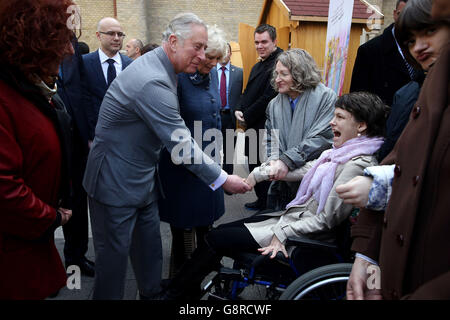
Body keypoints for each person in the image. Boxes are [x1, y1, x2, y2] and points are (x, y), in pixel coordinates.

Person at [82, 13, 251, 300]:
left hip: (143, 180)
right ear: (173, 42)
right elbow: (181, 144)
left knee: (150, 256)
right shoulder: (153, 80)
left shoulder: (168, 68)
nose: (201, 56)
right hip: (113, 183)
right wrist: (223, 179)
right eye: (196, 47)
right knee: (113, 269)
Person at [161, 91, 388, 300]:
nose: (332, 122)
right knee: (220, 233)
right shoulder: (335, 155)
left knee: (215, 239)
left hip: (306, 238)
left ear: (361, 126)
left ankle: (176, 294)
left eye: (340, 117)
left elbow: (326, 221)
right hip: (292, 220)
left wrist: (283, 232)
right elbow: (299, 170)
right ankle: (185, 287)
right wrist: (255, 176)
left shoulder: (357, 164)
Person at [336, 0, 450, 299]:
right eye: (411, 39)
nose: (418, 47)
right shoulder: (419, 95)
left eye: (430, 31)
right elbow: (400, 165)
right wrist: (366, 255)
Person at [0, 0, 75, 299]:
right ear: (32, 40)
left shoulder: (26, 88)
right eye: (61, 40)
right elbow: (4, 187)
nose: (70, 50)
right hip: (13, 256)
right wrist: (50, 217)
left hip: (29, 245)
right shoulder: (7, 98)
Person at [158, 25, 228, 277]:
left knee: (206, 224)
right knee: (183, 227)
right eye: (209, 57)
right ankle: (183, 278)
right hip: (183, 168)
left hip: (208, 163)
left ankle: (205, 271)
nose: (212, 63)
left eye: (217, 58)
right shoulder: (177, 79)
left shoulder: (209, 78)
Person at [256, 49, 336, 211]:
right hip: (280, 184)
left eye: (283, 74)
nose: (277, 79)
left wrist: (286, 161)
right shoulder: (274, 104)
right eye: (276, 74)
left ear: (300, 73)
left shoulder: (326, 98)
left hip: (312, 184)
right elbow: (270, 139)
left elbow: (322, 138)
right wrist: (273, 162)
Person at [57, 37, 95, 277]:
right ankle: (44, 268)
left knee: (78, 203)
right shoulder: (27, 41)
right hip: (47, 138)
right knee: (47, 203)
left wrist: (90, 133)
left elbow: (83, 89)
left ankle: (76, 258)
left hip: (77, 141)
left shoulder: (71, 43)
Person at [235, 24, 283, 211]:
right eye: (257, 42)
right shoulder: (258, 65)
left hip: (267, 126)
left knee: (266, 168)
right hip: (253, 125)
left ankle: (268, 206)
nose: (260, 46)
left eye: (264, 42)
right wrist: (239, 107)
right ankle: (261, 200)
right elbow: (247, 91)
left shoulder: (280, 63)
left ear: (274, 42)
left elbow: (268, 97)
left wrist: (245, 115)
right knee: (254, 163)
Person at [350, 0, 420, 106]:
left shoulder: (427, 49)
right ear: (394, 14)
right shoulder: (370, 51)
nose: (405, 20)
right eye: (401, 14)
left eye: (411, 14)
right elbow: (357, 99)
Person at [82, 17, 132, 147]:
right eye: (111, 33)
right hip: (94, 140)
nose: (116, 38)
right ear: (98, 36)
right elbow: (81, 102)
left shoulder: (132, 66)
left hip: (127, 140)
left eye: (120, 34)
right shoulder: (84, 63)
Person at [211, 43, 243, 175]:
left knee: (229, 151)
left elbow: (242, 94)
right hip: (214, 116)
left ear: (231, 53)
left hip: (229, 117)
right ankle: (215, 177)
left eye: (227, 51)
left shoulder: (239, 73)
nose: (224, 53)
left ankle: (228, 178)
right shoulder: (210, 71)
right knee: (212, 150)